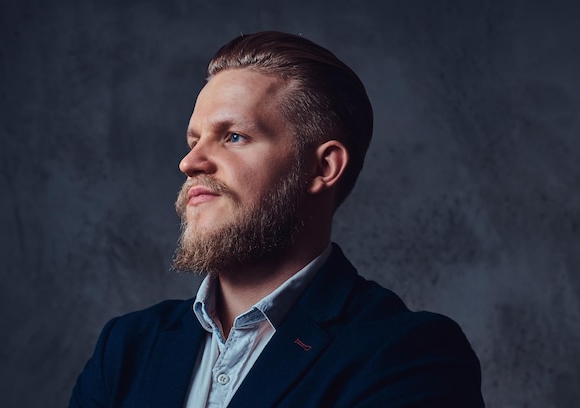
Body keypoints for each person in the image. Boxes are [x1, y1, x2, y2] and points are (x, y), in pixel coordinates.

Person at [69, 31, 484, 407]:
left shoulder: (408, 356)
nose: (190, 162)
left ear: (323, 168)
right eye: (194, 140)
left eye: (233, 137)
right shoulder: (127, 348)